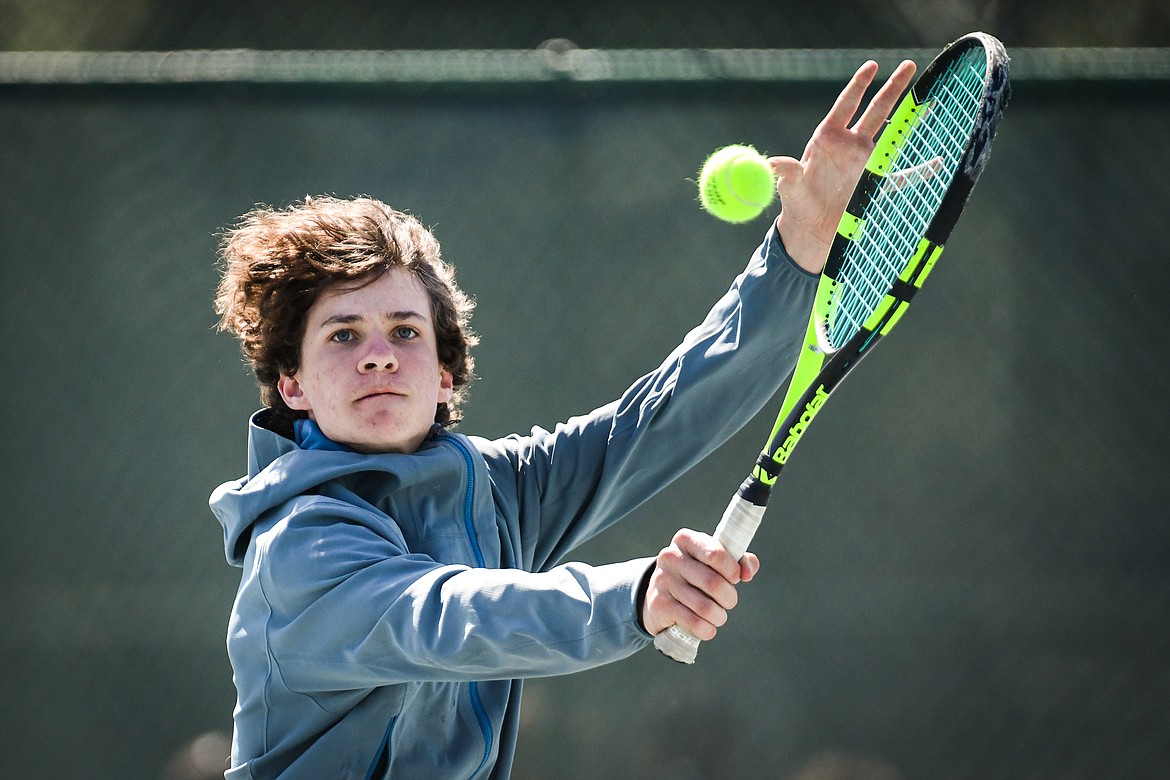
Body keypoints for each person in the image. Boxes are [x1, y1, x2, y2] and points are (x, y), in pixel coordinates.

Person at [210, 59, 916, 779]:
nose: (381, 356)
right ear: (291, 384)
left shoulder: (495, 492)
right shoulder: (300, 550)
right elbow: (450, 614)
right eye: (343, 335)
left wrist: (800, 253)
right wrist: (636, 596)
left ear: (445, 372)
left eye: (405, 331)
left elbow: (662, 419)